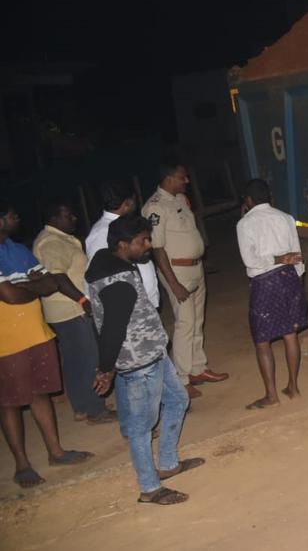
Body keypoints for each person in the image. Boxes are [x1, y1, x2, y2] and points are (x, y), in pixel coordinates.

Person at [88, 214, 205, 505]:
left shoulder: (112, 262)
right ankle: (150, 488)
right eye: (143, 240)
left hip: (154, 354)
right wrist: (106, 369)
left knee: (178, 400)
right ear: (124, 244)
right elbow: (111, 330)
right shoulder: (118, 281)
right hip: (139, 362)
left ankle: (167, 464)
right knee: (142, 427)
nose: (149, 245)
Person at [1, 200, 93, 488]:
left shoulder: (16, 249)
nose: (17, 217)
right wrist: (29, 286)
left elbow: (49, 284)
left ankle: (56, 451)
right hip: (6, 340)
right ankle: (22, 464)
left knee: (41, 394)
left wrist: (21, 286)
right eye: (12, 214)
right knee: (10, 404)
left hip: (37, 332)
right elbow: (10, 296)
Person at [143, 160, 227, 398]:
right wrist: (174, 283)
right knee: (185, 323)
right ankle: (181, 378)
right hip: (177, 272)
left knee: (197, 320)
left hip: (195, 268)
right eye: (182, 177)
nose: (187, 181)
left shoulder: (179, 199)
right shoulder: (155, 207)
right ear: (169, 178)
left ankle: (198, 368)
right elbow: (158, 249)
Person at [33, 199, 116, 424]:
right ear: (53, 218)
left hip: (67, 309)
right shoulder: (51, 242)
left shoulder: (59, 239)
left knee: (75, 360)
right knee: (90, 358)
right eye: (68, 215)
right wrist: (83, 300)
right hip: (70, 309)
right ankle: (95, 409)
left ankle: (81, 406)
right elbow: (57, 277)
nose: (74, 218)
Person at [235, 179, 307, 410]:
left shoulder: (245, 224)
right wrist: (296, 282)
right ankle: (293, 387)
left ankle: (271, 395)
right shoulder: (286, 218)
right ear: (270, 196)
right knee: (290, 335)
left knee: (262, 341)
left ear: (248, 200)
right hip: (289, 278)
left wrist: (275, 259)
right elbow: (297, 257)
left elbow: (250, 261)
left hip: (264, 282)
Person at [86, 180, 159, 310]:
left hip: (145, 304)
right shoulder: (102, 233)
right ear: (128, 202)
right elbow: (102, 277)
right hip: (131, 309)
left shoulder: (127, 224)